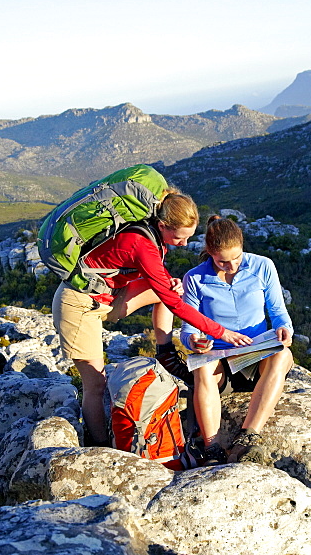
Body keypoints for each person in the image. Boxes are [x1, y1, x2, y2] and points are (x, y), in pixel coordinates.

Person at [51, 188, 252, 447]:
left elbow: (134, 271)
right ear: (162, 225)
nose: (183, 244)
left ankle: (165, 354)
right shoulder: (142, 243)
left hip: (106, 296)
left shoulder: (153, 236)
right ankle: (99, 447)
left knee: (167, 290)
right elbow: (176, 305)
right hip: (78, 305)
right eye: (179, 237)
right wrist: (221, 332)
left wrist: (166, 283)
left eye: (189, 238)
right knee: (96, 385)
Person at [181, 216, 294, 464]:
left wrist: (285, 329)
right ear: (209, 252)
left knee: (283, 355)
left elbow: (278, 312)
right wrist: (195, 341)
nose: (232, 266)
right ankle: (211, 447)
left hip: (256, 356)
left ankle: (248, 437)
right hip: (219, 360)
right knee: (202, 366)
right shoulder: (194, 279)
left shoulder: (263, 266)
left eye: (237, 258)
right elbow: (187, 330)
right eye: (223, 261)